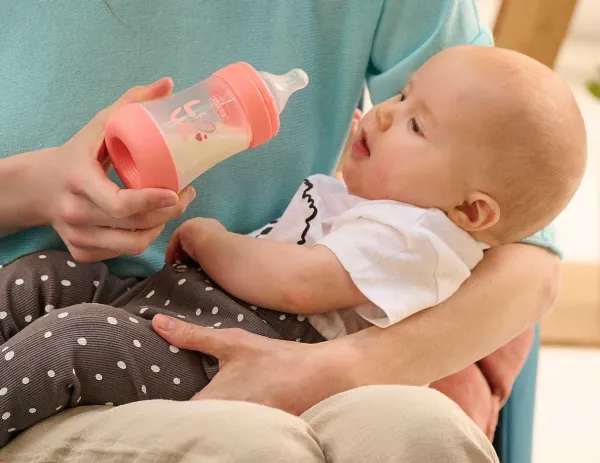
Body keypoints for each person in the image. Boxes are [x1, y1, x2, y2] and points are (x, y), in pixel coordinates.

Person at [0, 1, 562, 461]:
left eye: (415, 124)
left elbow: (299, 283)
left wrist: (208, 239)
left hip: (221, 346)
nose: (385, 113)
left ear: (473, 212)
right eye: (399, 95)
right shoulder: (369, 207)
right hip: (168, 311)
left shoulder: (415, 238)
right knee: (39, 277)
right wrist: (35, 187)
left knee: (77, 337)